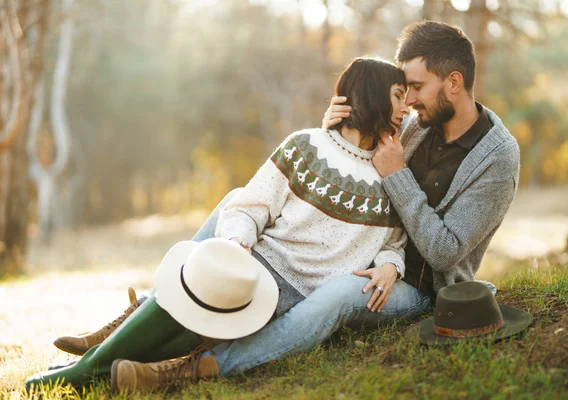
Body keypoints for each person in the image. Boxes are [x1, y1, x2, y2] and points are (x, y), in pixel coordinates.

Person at [44, 20, 519, 392]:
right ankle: (153, 306)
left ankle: (193, 369)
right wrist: (331, 139)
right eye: (403, 91)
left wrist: (392, 233)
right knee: (240, 202)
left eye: (415, 87)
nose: (409, 101)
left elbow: (443, 251)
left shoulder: (498, 158)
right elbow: (357, 171)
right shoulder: (417, 123)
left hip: (412, 283)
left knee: (334, 293)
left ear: (453, 82)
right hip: (369, 245)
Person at [26, 56, 411, 390]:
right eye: (398, 95)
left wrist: (392, 266)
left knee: (197, 329)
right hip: (254, 266)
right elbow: (249, 206)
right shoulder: (306, 145)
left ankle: (92, 369)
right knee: (190, 293)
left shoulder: (391, 170)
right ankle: (87, 370)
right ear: (372, 93)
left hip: (297, 296)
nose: (406, 107)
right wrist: (237, 240)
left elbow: (394, 242)